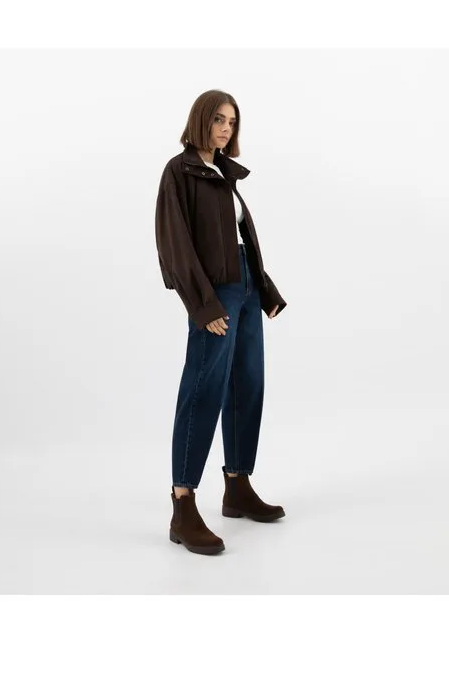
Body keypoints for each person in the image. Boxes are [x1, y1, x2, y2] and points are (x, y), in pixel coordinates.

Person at [155, 89, 287, 555]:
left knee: (248, 382)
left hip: (245, 285)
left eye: (232, 121)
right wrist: (203, 305)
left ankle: (237, 486)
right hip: (215, 293)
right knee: (203, 388)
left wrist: (264, 290)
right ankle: (183, 502)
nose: (226, 128)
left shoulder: (223, 173)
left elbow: (241, 237)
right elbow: (174, 244)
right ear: (201, 120)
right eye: (218, 120)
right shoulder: (179, 171)